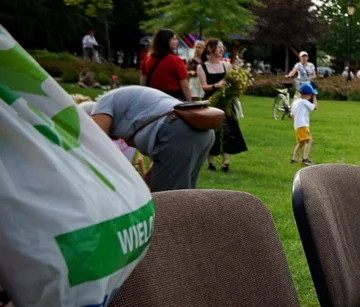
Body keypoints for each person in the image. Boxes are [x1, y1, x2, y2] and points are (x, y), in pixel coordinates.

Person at [87, 86, 214, 191]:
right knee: (183, 195)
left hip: (178, 129)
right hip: (201, 129)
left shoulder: (100, 107)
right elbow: (163, 164)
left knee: (167, 202)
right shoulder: (126, 107)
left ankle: (172, 222)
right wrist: (144, 184)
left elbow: (97, 148)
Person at [197, 39, 246, 172]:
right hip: (211, 102)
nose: (222, 49)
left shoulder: (226, 66)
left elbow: (232, 81)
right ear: (210, 49)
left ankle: (226, 162)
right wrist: (216, 86)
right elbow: (204, 87)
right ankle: (211, 163)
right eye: (219, 47)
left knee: (229, 129)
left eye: (223, 47)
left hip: (226, 102)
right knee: (212, 131)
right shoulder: (202, 67)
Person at [140, 28, 192, 101]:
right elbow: (185, 85)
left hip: (153, 97)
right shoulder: (176, 60)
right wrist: (189, 102)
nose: (177, 41)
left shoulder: (148, 59)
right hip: (173, 98)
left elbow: (143, 82)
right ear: (166, 41)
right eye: (174, 39)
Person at [290, 83, 317, 166]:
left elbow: (291, 115)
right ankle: (305, 159)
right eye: (311, 95)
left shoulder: (295, 102)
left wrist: (295, 124)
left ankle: (294, 159)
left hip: (297, 125)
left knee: (301, 143)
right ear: (308, 95)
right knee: (309, 141)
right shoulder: (304, 102)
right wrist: (315, 97)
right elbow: (315, 107)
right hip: (303, 125)